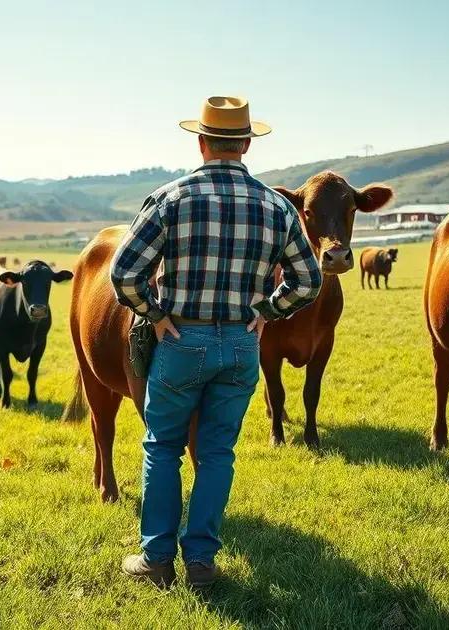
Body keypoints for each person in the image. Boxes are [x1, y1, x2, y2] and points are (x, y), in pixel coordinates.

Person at [109, 96, 322, 588]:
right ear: (247, 144)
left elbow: (123, 274)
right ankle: (201, 563)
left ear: (201, 141)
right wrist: (267, 312)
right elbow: (308, 282)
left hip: (181, 338)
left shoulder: (171, 198)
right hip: (243, 346)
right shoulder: (277, 206)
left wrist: (156, 315)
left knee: (163, 448)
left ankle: (156, 561)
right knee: (218, 452)